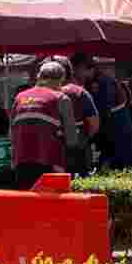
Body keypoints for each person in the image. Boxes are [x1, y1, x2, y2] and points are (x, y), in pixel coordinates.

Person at [10, 60, 79, 189]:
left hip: (21, 161)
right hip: (50, 162)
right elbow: (72, 139)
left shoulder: (19, 97)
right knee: (50, 206)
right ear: (61, 79)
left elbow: (12, 133)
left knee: (26, 203)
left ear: (38, 77)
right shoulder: (61, 98)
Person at [73, 53, 132, 169]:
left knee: (117, 169)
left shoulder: (102, 82)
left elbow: (103, 112)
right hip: (110, 131)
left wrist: (90, 135)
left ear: (84, 68)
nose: (75, 74)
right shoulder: (91, 82)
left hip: (117, 132)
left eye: (76, 70)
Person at [53, 55, 100, 176]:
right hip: (78, 147)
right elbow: (94, 123)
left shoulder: (45, 93)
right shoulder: (79, 92)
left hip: (53, 150)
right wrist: (84, 137)